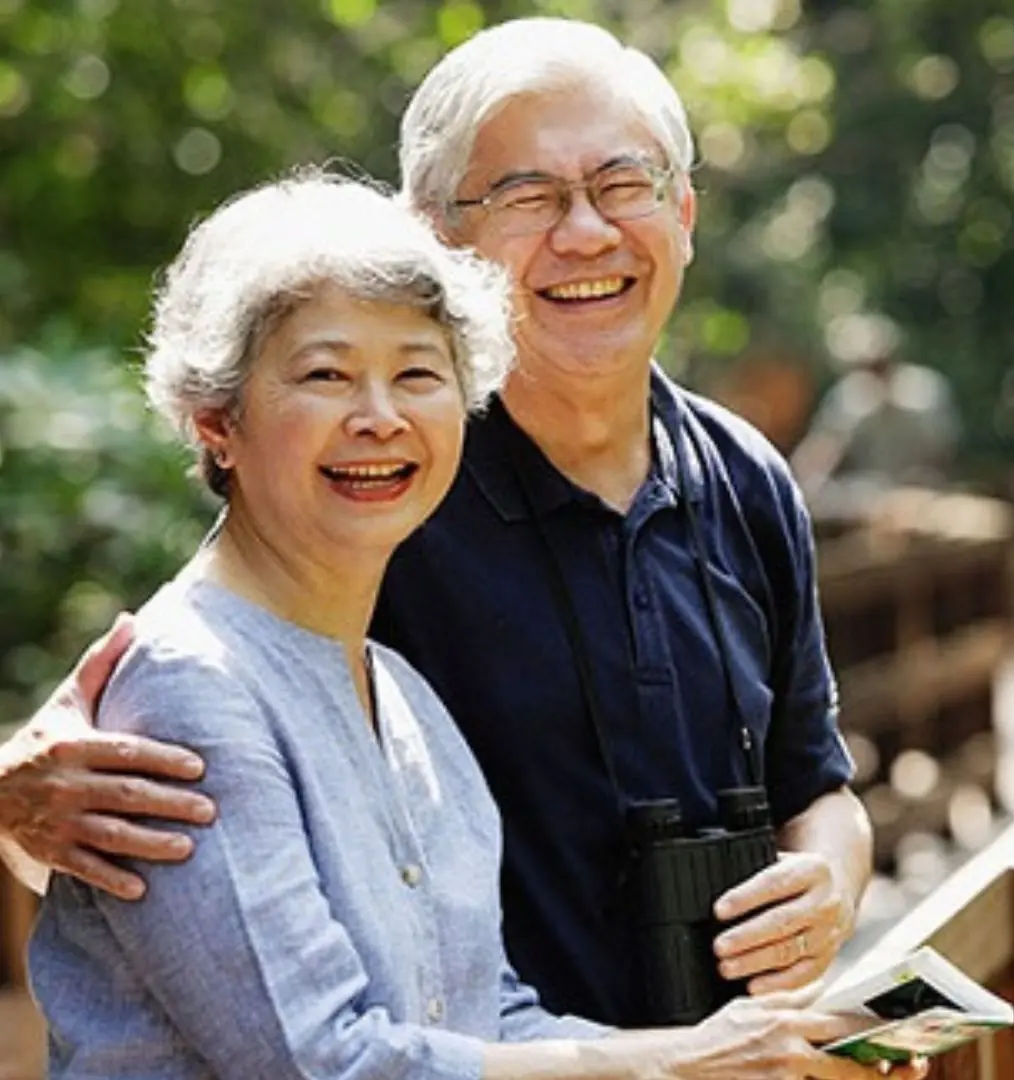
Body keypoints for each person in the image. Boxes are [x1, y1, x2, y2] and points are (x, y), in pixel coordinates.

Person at [3, 17, 873, 1030]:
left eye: (623, 184)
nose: (585, 231)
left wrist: (832, 885)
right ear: (432, 237)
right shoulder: (381, 476)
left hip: (685, 1051)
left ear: (683, 211)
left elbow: (820, 782)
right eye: (526, 195)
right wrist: (11, 789)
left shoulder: (746, 478)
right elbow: (187, 700)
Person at [791, 313, 961, 505]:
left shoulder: (926, 391)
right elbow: (821, 449)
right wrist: (805, 482)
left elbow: (942, 454)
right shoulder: (848, 396)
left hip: (919, 492)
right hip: (867, 494)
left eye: (879, 363)